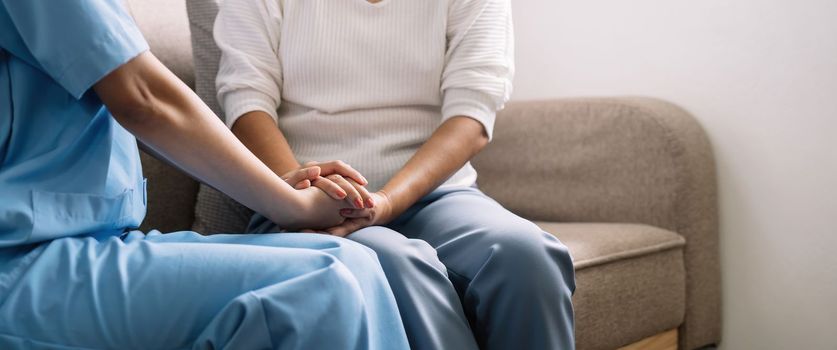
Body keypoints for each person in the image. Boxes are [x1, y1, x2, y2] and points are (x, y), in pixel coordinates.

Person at [0, 0, 410, 349]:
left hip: (83, 244)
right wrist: (293, 205)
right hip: (22, 261)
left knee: (354, 260)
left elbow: (122, 105)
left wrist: (272, 191)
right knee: (322, 286)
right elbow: (143, 100)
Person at [214, 0, 577, 349]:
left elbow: (472, 115)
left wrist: (386, 202)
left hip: (438, 195)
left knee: (527, 256)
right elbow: (247, 104)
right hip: (309, 198)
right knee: (397, 265)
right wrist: (301, 198)